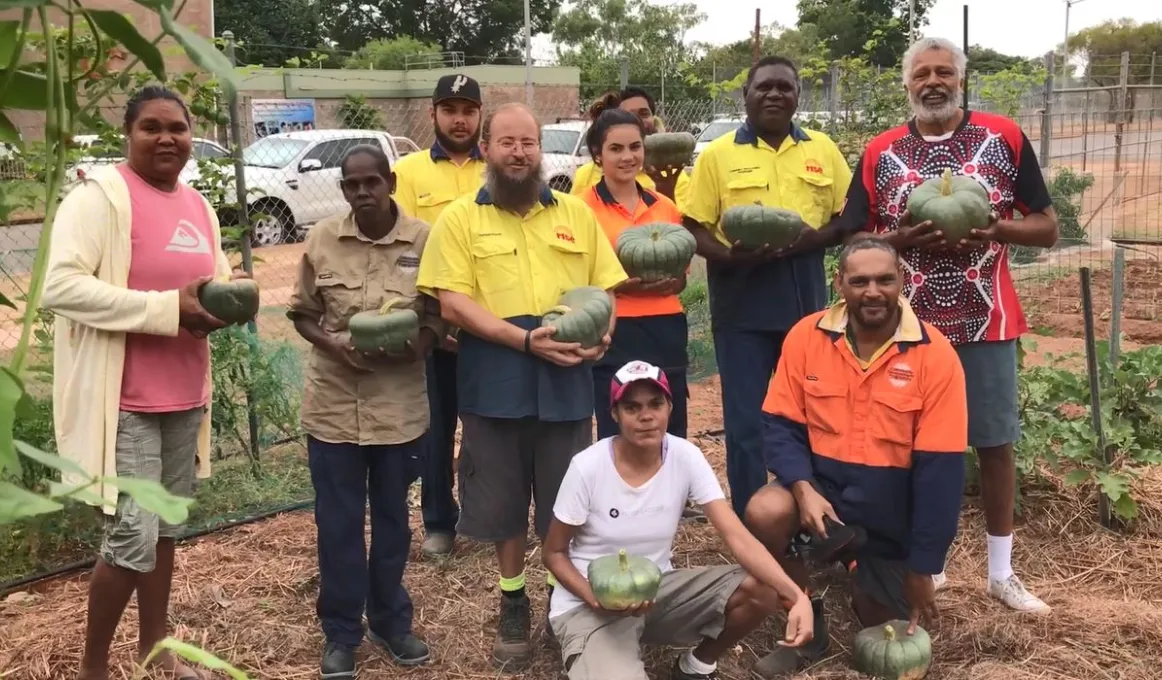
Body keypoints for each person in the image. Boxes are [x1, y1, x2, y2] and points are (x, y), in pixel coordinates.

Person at [838, 37, 1059, 613]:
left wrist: (999, 230)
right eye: (922, 73)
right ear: (906, 83)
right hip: (904, 326)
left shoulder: (1002, 136)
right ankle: (923, 566)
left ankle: (1000, 572)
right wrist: (898, 241)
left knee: (993, 444)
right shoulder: (880, 150)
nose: (932, 82)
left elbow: (1047, 226)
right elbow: (852, 240)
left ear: (960, 80)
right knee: (909, 449)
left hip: (987, 317)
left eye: (943, 72)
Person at [415, 102, 629, 670]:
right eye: (506, 142)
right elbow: (452, 301)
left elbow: (605, 287)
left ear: (541, 150)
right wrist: (523, 341)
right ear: (486, 149)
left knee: (567, 499)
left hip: (565, 376)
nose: (518, 152)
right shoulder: (460, 218)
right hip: (496, 374)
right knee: (504, 499)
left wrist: (602, 332)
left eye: (528, 143)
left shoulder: (576, 215)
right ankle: (513, 598)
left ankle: (568, 604)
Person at [42, 85, 242, 680]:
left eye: (177, 128)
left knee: (163, 534)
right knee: (131, 539)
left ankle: (155, 647)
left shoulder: (197, 206)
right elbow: (61, 287)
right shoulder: (97, 198)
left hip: (183, 393)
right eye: (151, 127)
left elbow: (216, 280)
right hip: (123, 398)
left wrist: (218, 309)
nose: (166, 138)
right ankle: (93, 668)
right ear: (128, 134)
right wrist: (165, 310)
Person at [743, 238, 968, 677]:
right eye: (859, 280)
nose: (873, 291)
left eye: (885, 279)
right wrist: (802, 489)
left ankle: (864, 565)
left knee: (885, 638)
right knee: (765, 510)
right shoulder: (806, 337)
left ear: (902, 281)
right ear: (839, 283)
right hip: (824, 496)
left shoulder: (935, 356)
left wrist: (924, 567)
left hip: (890, 513)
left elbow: (941, 474)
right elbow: (781, 426)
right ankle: (803, 614)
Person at [543, 360, 814, 680]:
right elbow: (553, 553)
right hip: (589, 603)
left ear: (670, 407)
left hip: (655, 592)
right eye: (632, 407)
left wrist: (796, 596)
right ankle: (592, 646)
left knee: (764, 586)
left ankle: (696, 667)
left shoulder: (685, 457)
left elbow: (737, 536)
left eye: (655, 404)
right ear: (614, 414)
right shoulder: (588, 467)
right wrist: (594, 597)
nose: (646, 416)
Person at [288, 145, 443, 678]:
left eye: (371, 183)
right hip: (333, 406)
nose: (362, 193)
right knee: (339, 524)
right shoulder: (323, 239)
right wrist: (335, 346)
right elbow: (303, 314)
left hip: (399, 408)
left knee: (395, 520)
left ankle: (391, 621)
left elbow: (439, 317)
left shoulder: (424, 240)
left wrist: (420, 346)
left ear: (391, 182)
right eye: (352, 185)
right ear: (343, 189)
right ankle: (341, 633)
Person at [681, 55, 853, 522]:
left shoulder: (822, 150)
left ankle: (806, 515)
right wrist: (727, 255)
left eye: (785, 87)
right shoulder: (718, 155)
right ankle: (754, 521)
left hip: (804, 297)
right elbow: (693, 226)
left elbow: (849, 215)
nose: (775, 95)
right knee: (747, 423)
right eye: (764, 88)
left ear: (798, 96)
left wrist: (811, 239)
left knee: (810, 415)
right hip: (741, 299)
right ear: (746, 96)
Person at [393, 73, 487, 558]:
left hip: (491, 326)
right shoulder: (409, 173)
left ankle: (481, 516)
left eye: (468, 110)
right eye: (450, 109)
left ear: (479, 115)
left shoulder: (496, 171)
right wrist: (436, 322)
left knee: (486, 426)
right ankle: (439, 522)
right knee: (436, 427)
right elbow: (405, 253)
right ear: (433, 114)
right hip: (435, 327)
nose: (459, 119)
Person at [579, 108, 690, 441]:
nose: (628, 157)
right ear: (598, 155)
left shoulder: (664, 206)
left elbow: (681, 276)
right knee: (618, 429)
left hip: (665, 326)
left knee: (670, 427)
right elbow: (576, 278)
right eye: (616, 149)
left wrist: (673, 282)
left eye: (635, 147)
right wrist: (616, 287)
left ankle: (673, 494)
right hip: (613, 328)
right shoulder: (579, 209)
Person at [570, 88, 692, 207]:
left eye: (644, 113)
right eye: (616, 149)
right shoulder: (587, 175)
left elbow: (678, 221)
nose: (627, 157)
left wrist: (666, 193)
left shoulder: (668, 172)